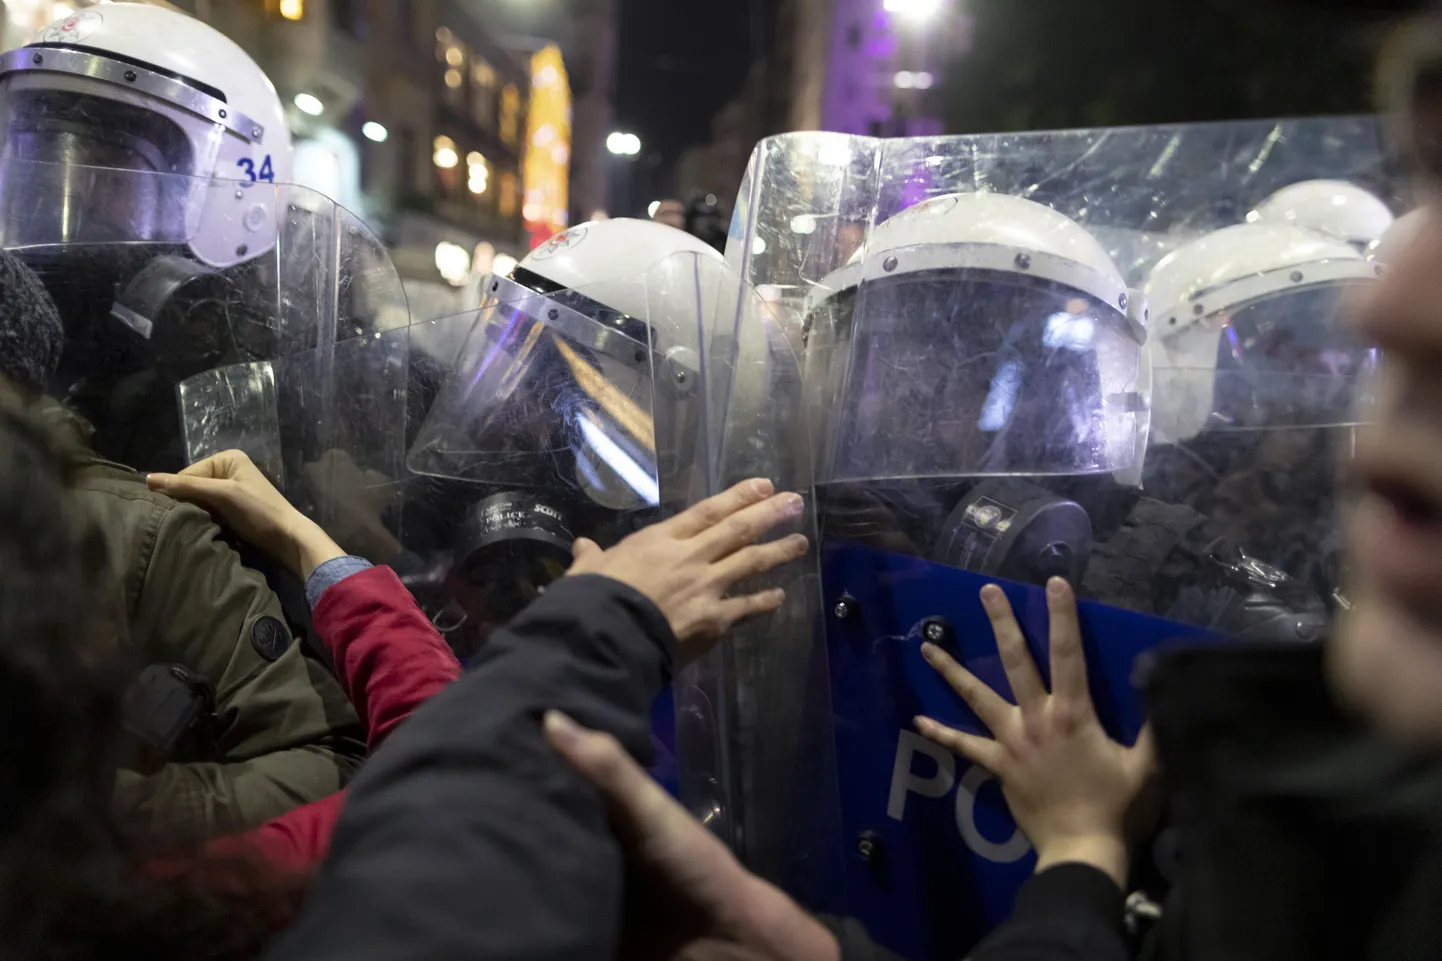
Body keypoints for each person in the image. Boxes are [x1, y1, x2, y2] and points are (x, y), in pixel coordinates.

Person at [0, 4, 369, 841]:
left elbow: (317, 743)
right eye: (35, 159)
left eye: (110, 172)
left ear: (238, 190)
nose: (63, 201)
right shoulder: (31, 358)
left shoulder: (260, 395)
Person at [264, 478, 813, 960]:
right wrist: (599, 626)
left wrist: (306, 541)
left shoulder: (238, 878)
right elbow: (452, 833)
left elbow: (425, 754)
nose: (518, 594)